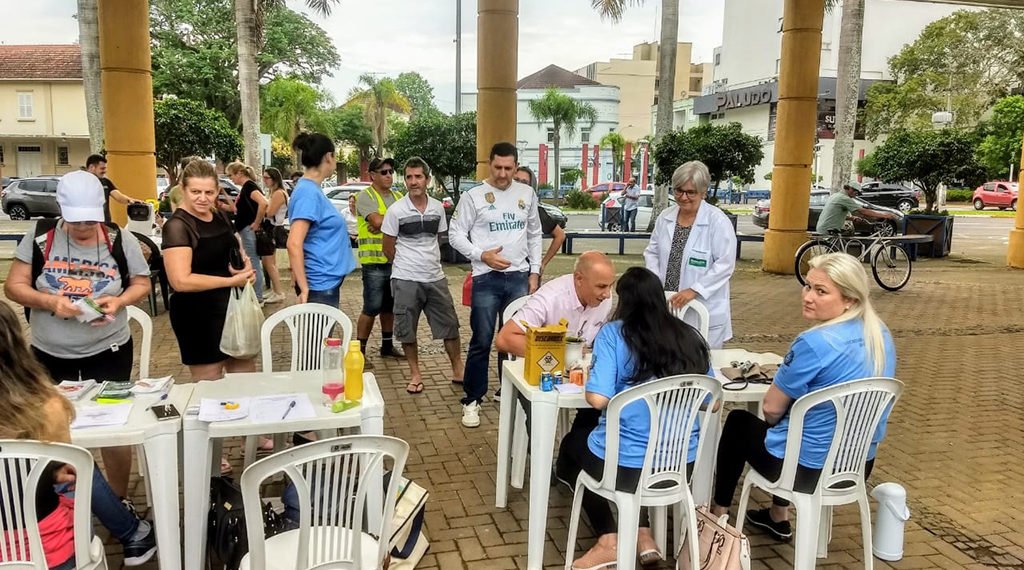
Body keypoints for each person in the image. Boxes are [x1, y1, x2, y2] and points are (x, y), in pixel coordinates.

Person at [710, 252, 896, 541]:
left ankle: (716, 515)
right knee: (795, 427)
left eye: (821, 291)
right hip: (857, 463)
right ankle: (776, 515)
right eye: (808, 286)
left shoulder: (813, 342)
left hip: (804, 469)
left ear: (850, 300)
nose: (808, 296)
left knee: (738, 422)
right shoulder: (880, 335)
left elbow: (771, 409)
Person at [3, 169, 152, 503]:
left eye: (90, 221)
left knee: (116, 427)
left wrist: (120, 300)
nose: (84, 229)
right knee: (51, 427)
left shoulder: (117, 239)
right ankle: (62, 501)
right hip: (50, 352)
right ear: (61, 211)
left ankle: (116, 500)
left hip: (109, 348)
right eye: (76, 222)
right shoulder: (41, 238)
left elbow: (141, 283)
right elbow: (13, 286)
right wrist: (49, 301)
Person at [554, 267, 713, 569]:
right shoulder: (689, 336)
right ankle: (644, 535)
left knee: (575, 445)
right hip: (679, 464)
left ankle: (608, 539)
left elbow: (598, 399)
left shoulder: (614, 334)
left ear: (623, 300)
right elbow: (711, 402)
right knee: (615, 447)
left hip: (626, 467)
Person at [0, 300, 158, 568]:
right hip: (49, 551)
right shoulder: (47, 406)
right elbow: (66, 466)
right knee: (74, 472)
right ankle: (133, 532)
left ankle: (134, 532)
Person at [449, 141, 542, 428]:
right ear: (489, 164)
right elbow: (455, 234)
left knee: (513, 340)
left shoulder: (526, 193)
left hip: (518, 277)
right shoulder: (473, 196)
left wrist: (534, 272)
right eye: (498, 167)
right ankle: (473, 400)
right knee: (482, 339)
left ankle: (510, 392)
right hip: (485, 278)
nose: (503, 174)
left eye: (509, 168)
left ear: (516, 166)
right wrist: (482, 255)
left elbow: (535, 234)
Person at [163, 159, 256, 382]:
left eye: (209, 192)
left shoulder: (220, 216)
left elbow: (239, 251)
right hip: (197, 316)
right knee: (209, 384)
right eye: (195, 191)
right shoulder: (177, 226)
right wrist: (230, 282)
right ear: (183, 189)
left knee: (245, 380)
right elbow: (180, 281)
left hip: (233, 308)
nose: (203, 198)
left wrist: (247, 269)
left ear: (217, 190)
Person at [381, 157, 464, 394]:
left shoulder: (438, 208)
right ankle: (415, 374)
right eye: (409, 177)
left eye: (418, 177)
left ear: (427, 179)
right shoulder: (396, 211)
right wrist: (406, 266)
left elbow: (438, 239)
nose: (413, 181)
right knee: (407, 329)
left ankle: (458, 369)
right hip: (405, 278)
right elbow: (388, 248)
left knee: (450, 325)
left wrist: (426, 261)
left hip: (435, 277)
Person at [643, 160, 737, 349]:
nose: (683, 197)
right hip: (668, 303)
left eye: (690, 192)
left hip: (704, 306)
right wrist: (656, 284)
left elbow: (725, 264)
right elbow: (652, 251)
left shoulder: (717, 221)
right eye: (678, 190)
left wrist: (694, 290)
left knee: (700, 364)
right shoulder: (665, 217)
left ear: (703, 192)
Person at [287, 133, 356, 307]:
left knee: (322, 335)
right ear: (328, 157)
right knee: (318, 335)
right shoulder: (307, 193)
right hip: (319, 284)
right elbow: (294, 243)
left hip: (325, 281)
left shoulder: (312, 190)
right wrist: (304, 288)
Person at [355, 157, 405, 358]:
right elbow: (375, 220)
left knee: (389, 307)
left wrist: (383, 224)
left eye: (391, 171)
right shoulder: (365, 196)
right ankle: (359, 352)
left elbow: (404, 222)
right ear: (372, 175)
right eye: (383, 172)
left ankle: (387, 346)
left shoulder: (399, 196)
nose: (389, 175)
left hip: (394, 261)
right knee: (372, 307)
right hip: (374, 263)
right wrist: (389, 223)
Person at [226, 162, 269, 303]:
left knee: (253, 262)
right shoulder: (246, 188)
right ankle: (257, 295)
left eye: (231, 175)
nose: (231, 178)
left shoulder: (249, 186)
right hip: (245, 228)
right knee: (253, 261)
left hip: (248, 229)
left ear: (239, 173)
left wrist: (256, 223)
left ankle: (257, 296)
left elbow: (263, 203)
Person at [513, 166, 566, 275]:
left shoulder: (536, 210)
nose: (519, 185)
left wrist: (542, 263)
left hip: (526, 271)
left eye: (524, 182)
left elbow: (560, 235)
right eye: (516, 180)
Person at [816, 181, 896, 235]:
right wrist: (884, 215)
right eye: (856, 192)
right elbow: (863, 211)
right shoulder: (844, 198)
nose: (856, 194)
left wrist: (852, 218)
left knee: (846, 239)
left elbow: (835, 214)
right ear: (850, 189)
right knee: (849, 238)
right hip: (829, 229)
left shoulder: (835, 195)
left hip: (823, 227)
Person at [85, 154, 142, 225]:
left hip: (105, 224)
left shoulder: (105, 182)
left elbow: (119, 197)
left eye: (105, 168)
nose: (105, 171)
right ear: (91, 167)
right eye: (102, 168)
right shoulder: (81, 182)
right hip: (87, 225)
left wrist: (132, 201)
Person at [260, 167, 289, 304]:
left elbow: (270, 212)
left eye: (267, 178)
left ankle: (278, 292)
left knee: (270, 262)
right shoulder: (273, 192)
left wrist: (262, 206)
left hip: (273, 228)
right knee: (268, 262)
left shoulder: (278, 193)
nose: (264, 180)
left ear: (274, 179)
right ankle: (274, 289)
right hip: (271, 227)